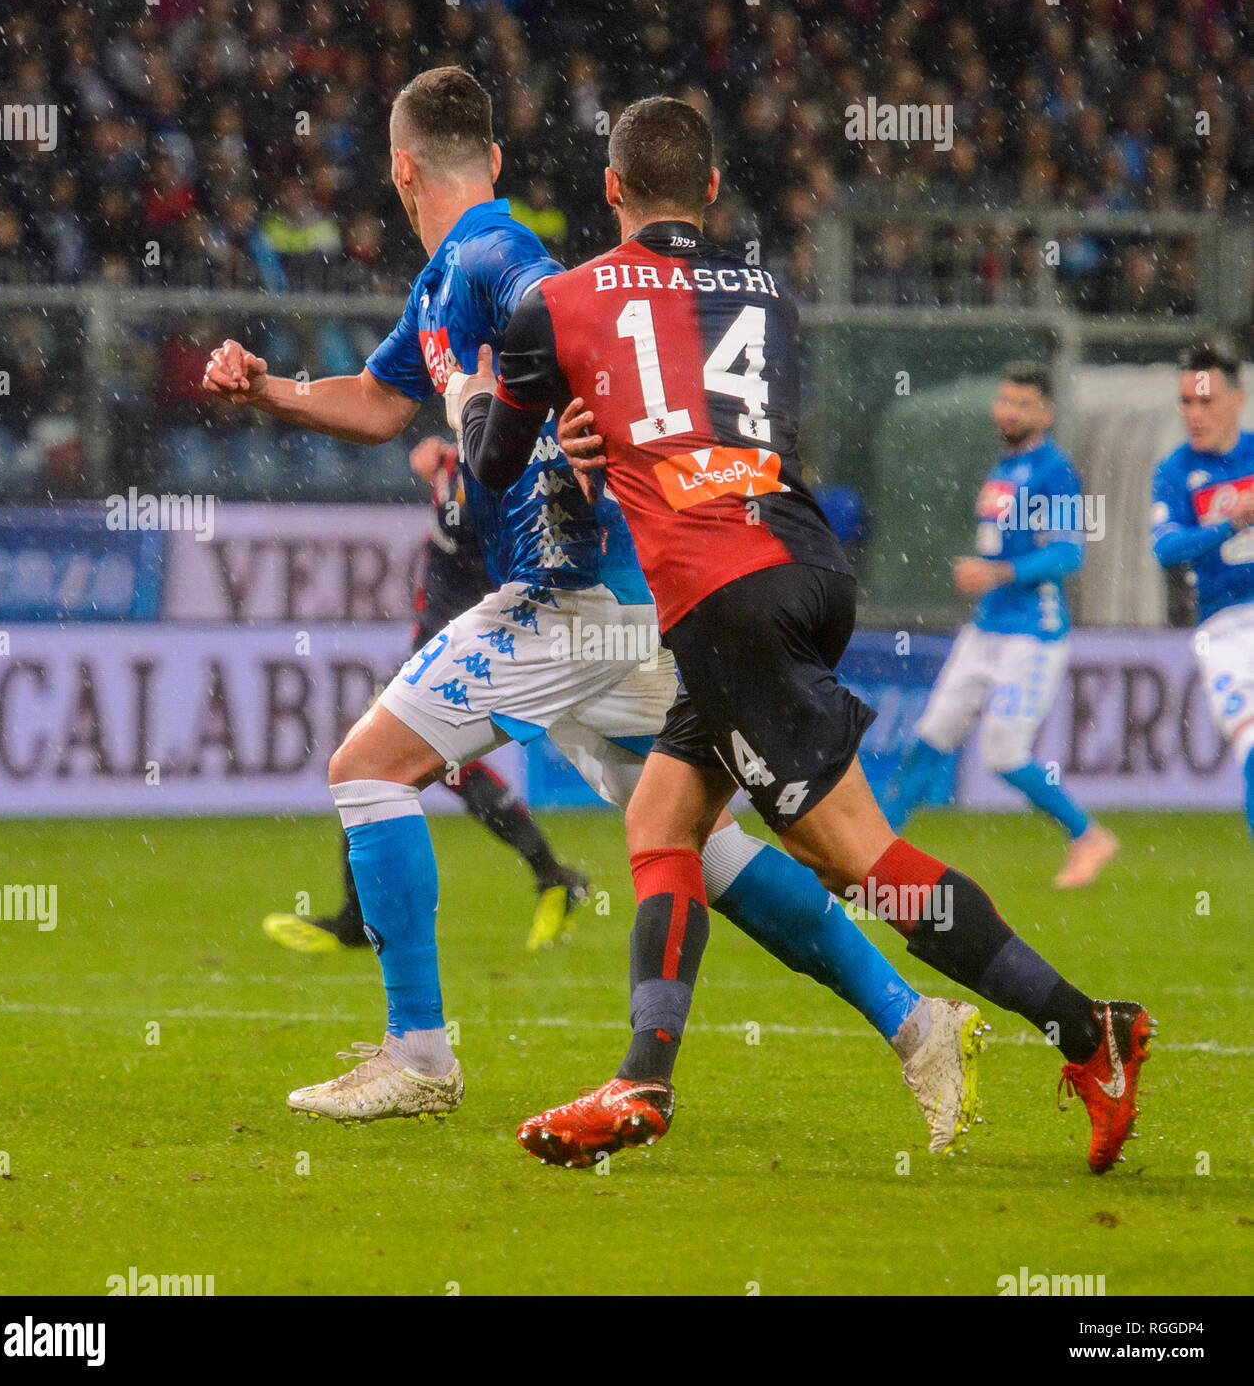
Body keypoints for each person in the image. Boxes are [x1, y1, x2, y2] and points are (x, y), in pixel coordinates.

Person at [205, 67, 985, 1152]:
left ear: (397, 170)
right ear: (494, 155)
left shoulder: (493, 255)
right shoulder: (446, 280)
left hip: (566, 594)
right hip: (629, 611)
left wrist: (577, 434)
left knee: (366, 769)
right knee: (698, 841)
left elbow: (571, 324)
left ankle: (418, 1054)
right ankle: (916, 1021)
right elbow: (384, 404)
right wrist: (270, 391)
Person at [454, 95, 1153, 1174]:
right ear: (716, 192)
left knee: (867, 866)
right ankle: (641, 1074)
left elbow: (492, 471)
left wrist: (513, 404)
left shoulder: (556, 303)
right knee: (661, 815)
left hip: (721, 597)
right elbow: (721, 415)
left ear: (609, 188)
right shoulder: (766, 293)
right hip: (806, 564)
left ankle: (1089, 1032)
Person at [261, 433, 589, 957]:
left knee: (367, 763)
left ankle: (357, 920)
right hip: (443, 647)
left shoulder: (487, 487)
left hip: (452, 651)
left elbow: (460, 515)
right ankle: (553, 875)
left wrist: (447, 471)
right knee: (427, 769)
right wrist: (445, 464)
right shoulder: (489, 467)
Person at [880, 363, 1118, 889]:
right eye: (1004, 400)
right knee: (930, 739)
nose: (1007, 411)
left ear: (1045, 413)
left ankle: (1088, 834)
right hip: (985, 629)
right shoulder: (1003, 466)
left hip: (1032, 635)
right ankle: (871, 860)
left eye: (1021, 403)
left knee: (1004, 755)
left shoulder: (1055, 470)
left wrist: (999, 572)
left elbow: (1068, 553)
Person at [1152, 342, 1254, 843]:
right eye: (1186, 402)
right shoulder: (1174, 472)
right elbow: (1167, 549)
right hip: (1226, 629)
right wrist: (1229, 524)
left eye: (1206, 401)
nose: (1194, 414)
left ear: (1237, 400)